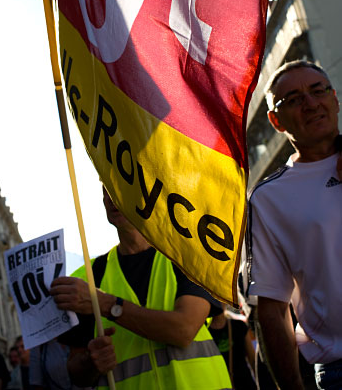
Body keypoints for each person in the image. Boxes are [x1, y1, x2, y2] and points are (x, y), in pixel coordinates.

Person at [50, 186, 232, 389]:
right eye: (106, 189)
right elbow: (77, 373)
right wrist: (92, 362)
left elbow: (184, 329)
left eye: (119, 183)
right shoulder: (87, 278)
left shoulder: (186, 252)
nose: (112, 196)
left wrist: (106, 304)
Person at [245, 60, 342, 390]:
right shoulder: (270, 199)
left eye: (318, 91)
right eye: (295, 99)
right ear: (275, 120)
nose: (311, 103)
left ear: (335, 99)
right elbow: (271, 308)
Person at [209, 304, 257, 389]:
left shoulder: (238, 326)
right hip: (218, 385)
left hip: (244, 384)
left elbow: (253, 360)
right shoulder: (204, 331)